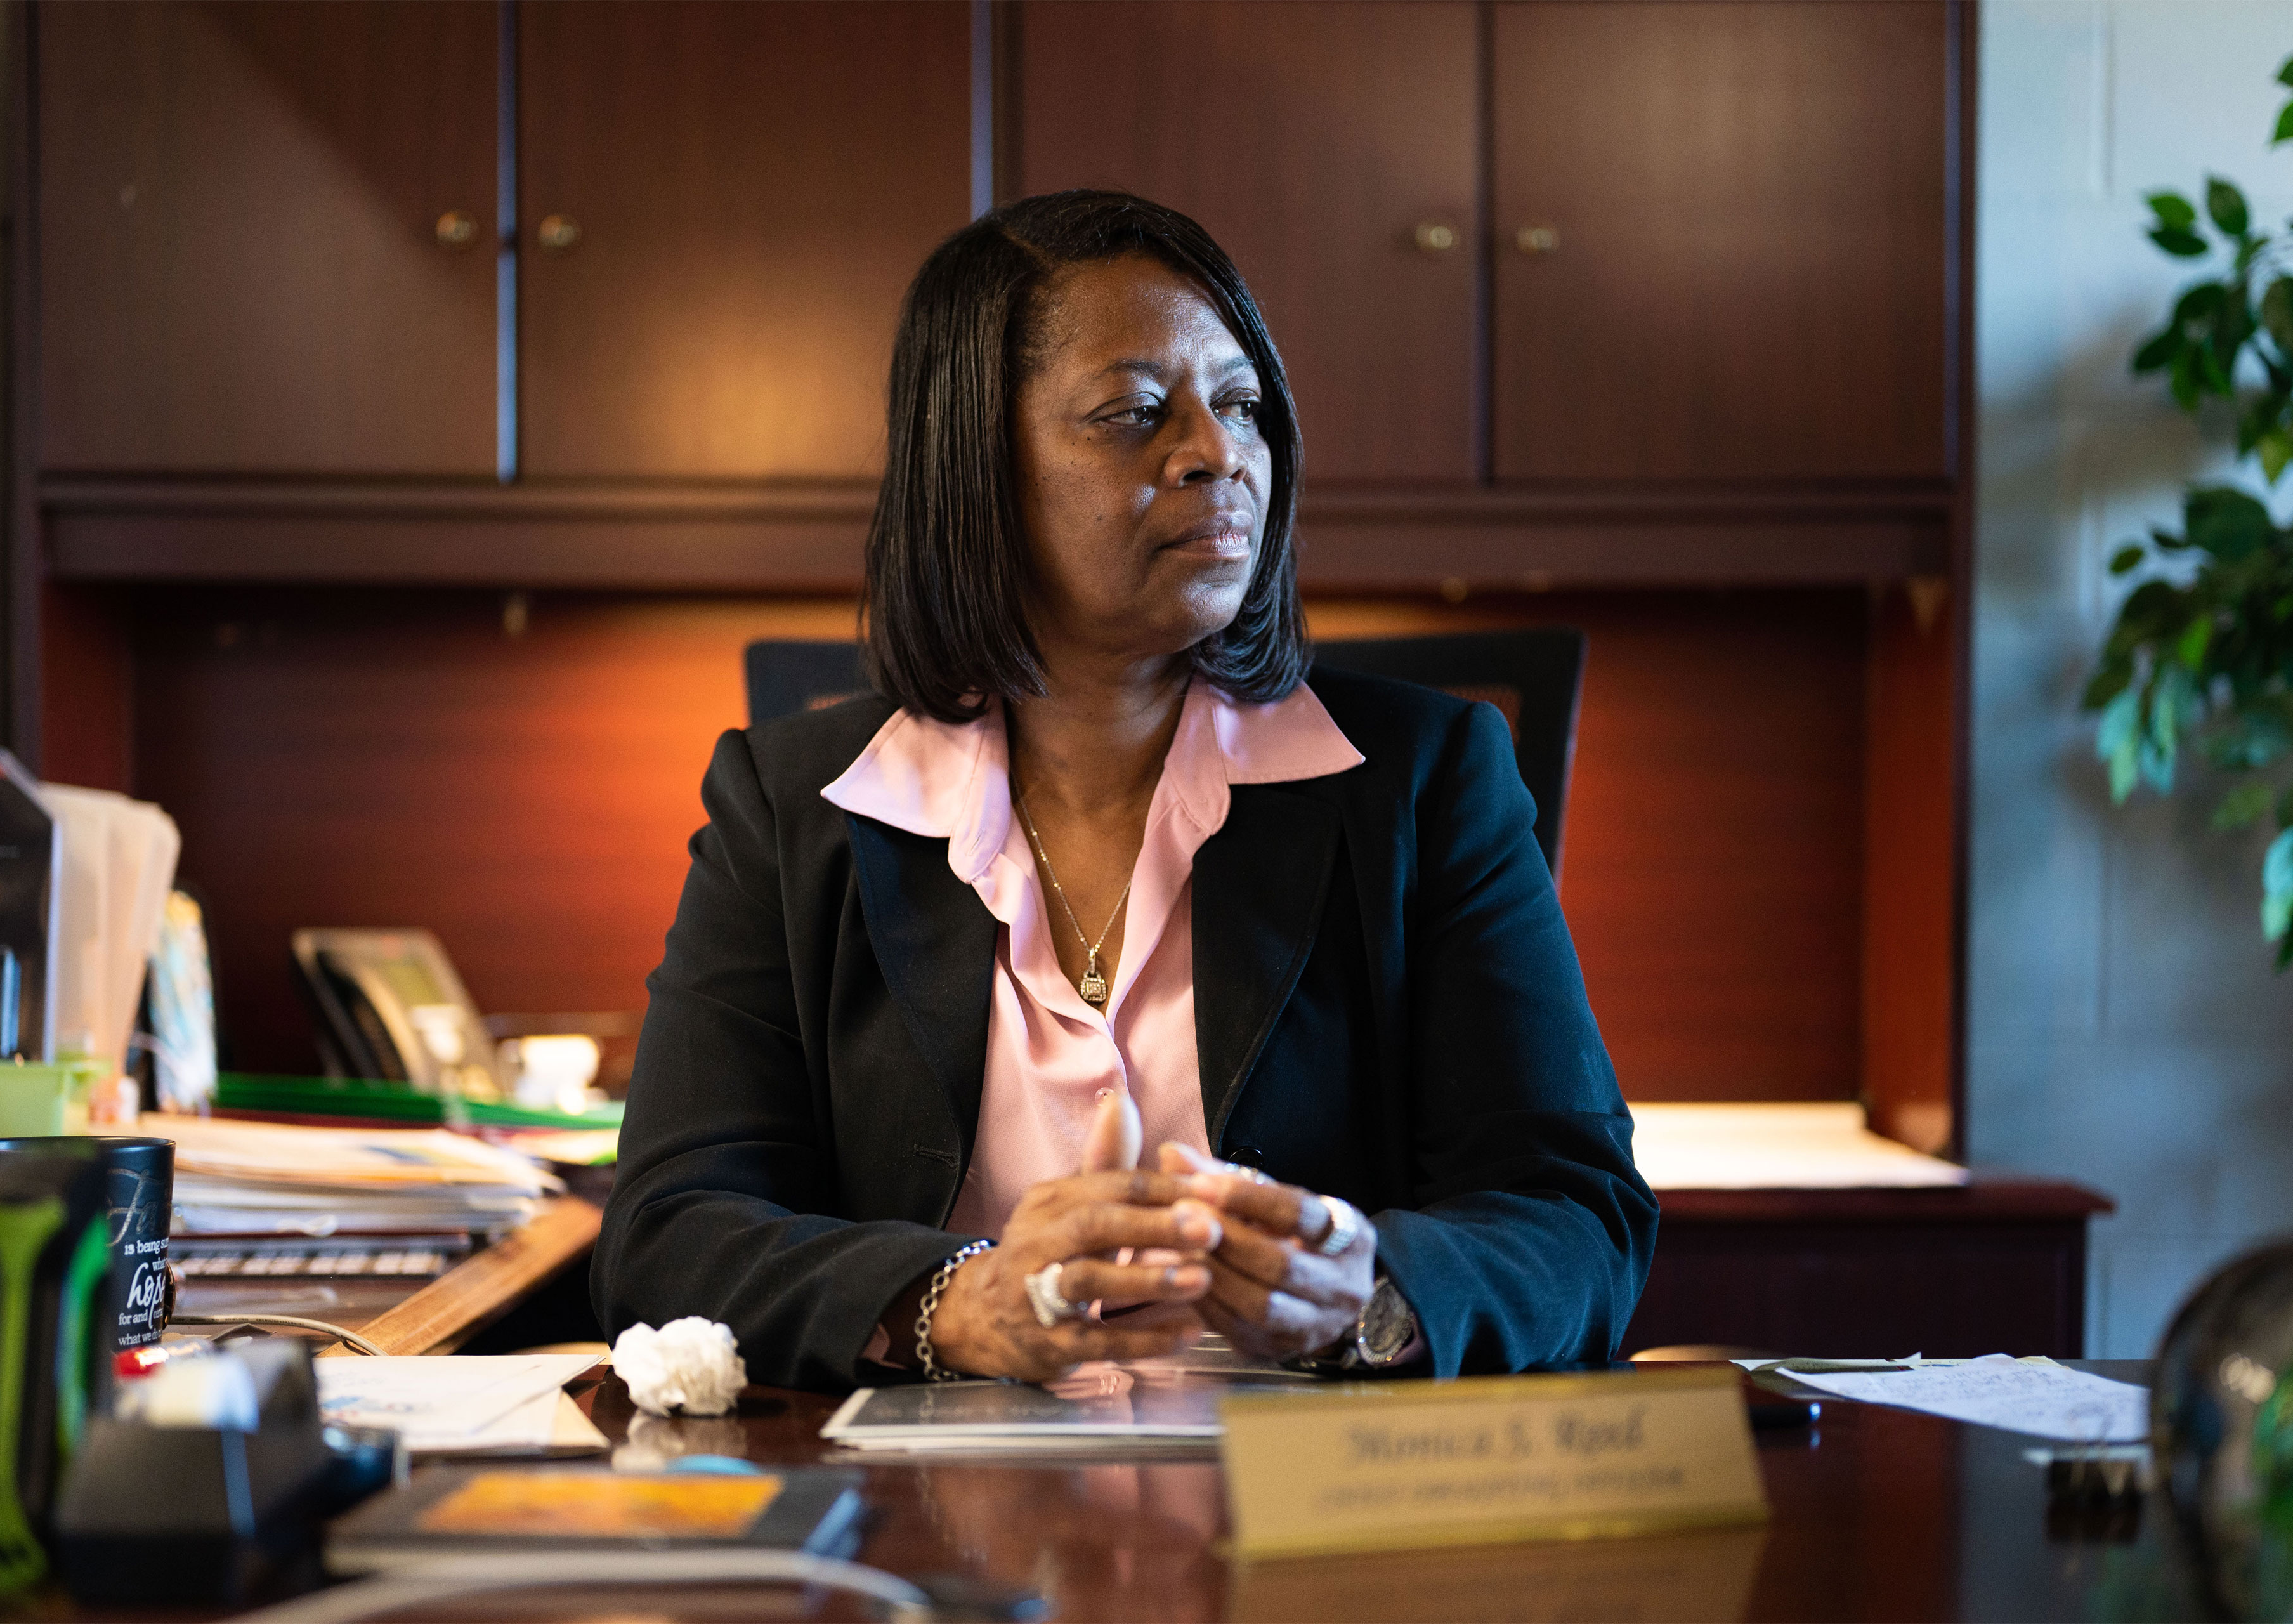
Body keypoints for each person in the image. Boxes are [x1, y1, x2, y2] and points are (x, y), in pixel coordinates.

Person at [593, 190, 1655, 1392]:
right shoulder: (793, 810)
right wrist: (950, 1302)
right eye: (1137, 412)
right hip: (926, 1538)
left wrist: (1376, 1294)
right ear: (976, 467)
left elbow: (1581, 1220)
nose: (1217, 450)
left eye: (1242, 404)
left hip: (1316, 1524)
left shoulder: (1429, 781)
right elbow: (668, 1231)